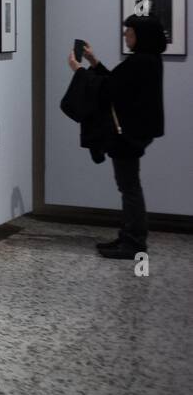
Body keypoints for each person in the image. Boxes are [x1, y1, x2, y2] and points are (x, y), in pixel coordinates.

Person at [68, 14, 166, 258]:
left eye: (129, 32)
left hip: (128, 134)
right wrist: (94, 62)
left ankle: (133, 242)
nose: (125, 36)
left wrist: (79, 70)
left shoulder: (140, 62)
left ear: (141, 36)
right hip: (137, 131)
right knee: (129, 186)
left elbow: (108, 89)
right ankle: (129, 237)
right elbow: (116, 82)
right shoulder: (148, 59)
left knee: (129, 187)